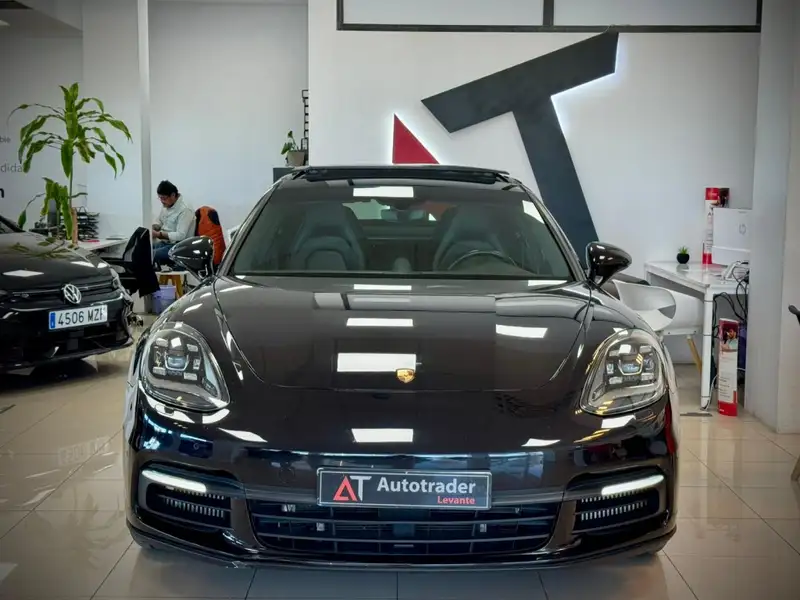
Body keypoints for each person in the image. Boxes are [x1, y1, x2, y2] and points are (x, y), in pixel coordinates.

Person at [152, 180, 194, 267]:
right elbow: (160, 221)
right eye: (160, 198)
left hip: (179, 247)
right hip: (165, 243)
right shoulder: (167, 204)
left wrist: (159, 234)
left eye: (164, 198)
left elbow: (180, 235)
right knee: (142, 249)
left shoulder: (185, 209)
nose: (162, 201)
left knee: (149, 255)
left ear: (173, 195)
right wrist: (155, 226)